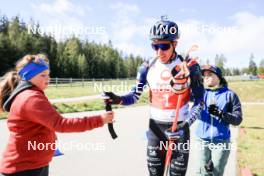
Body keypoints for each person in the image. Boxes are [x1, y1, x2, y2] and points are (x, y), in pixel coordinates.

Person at [104, 16, 204, 176]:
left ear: (175, 44)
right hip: (155, 129)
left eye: (164, 46)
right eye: (154, 46)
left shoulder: (190, 67)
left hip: (180, 130)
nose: (159, 51)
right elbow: (134, 96)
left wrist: (184, 126)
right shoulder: (146, 67)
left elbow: (200, 101)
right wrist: (117, 99)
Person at [0, 54, 114, 176]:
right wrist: (100, 120)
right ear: (28, 76)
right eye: (43, 75)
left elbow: (40, 127)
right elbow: (61, 124)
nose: (48, 78)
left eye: (48, 74)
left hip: (32, 165)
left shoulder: (30, 95)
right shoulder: (30, 98)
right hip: (23, 169)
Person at [195, 65, 242, 176]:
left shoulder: (230, 95)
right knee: (201, 173)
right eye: (204, 75)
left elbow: (238, 119)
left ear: (219, 77)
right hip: (202, 140)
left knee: (216, 173)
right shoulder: (200, 94)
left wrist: (222, 114)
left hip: (221, 141)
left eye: (210, 74)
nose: (206, 77)